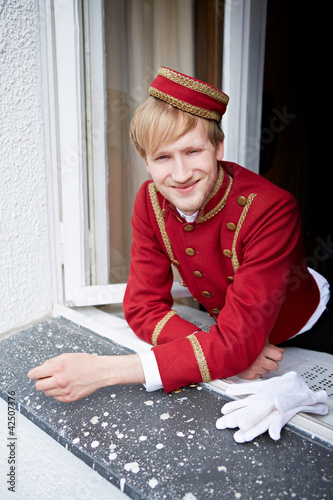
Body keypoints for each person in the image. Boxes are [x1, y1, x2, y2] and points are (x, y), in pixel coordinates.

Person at [28, 67, 332, 402]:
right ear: (146, 162)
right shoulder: (149, 200)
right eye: (162, 157)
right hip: (227, 331)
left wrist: (103, 371)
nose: (181, 174)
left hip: (309, 328)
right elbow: (143, 306)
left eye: (192, 151)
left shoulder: (272, 208)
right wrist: (229, 349)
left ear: (218, 148)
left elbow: (231, 344)